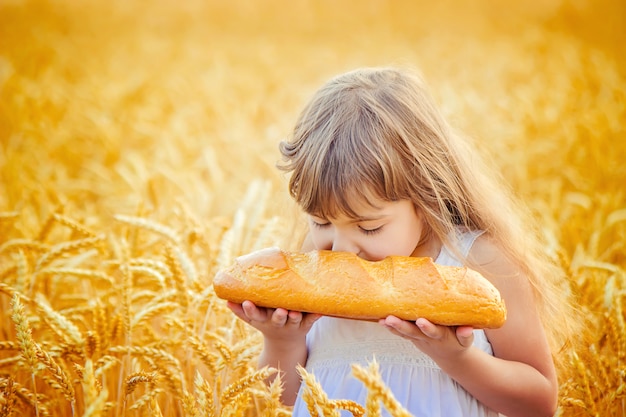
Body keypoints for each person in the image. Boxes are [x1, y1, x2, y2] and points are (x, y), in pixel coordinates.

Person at [227, 67, 577, 417]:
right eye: (321, 222)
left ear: (426, 200)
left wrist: (457, 359)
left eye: (369, 228)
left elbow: (539, 401)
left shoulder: (478, 263)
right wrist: (281, 341)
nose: (342, 249)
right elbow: (286, 398)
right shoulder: (310, 270)